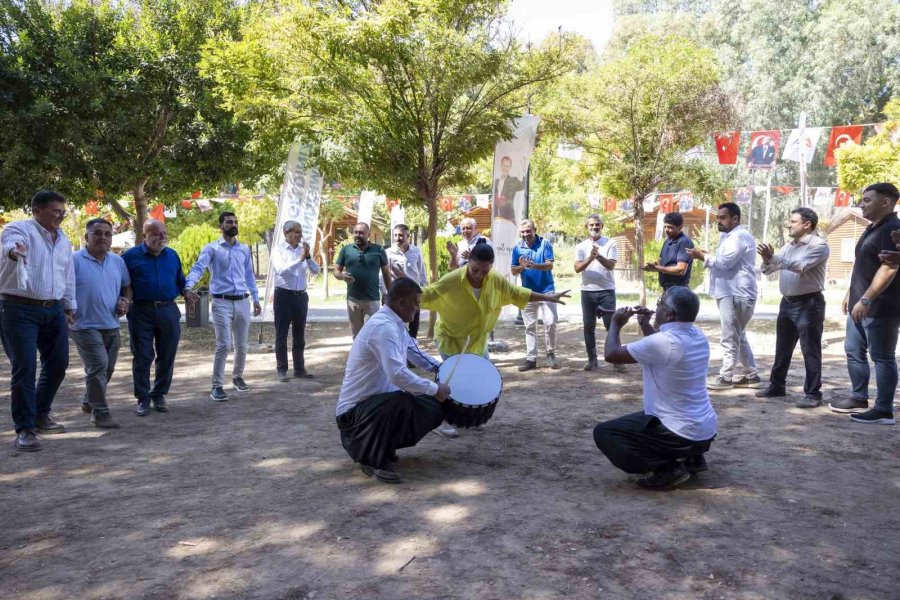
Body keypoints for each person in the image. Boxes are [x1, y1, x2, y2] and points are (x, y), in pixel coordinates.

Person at [421, 243, 570, 437]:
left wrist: (547, 297)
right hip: (450, 338)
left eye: (485, 271)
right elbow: (428, 294)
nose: (479, 275)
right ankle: (438, 421)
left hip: (478, 341)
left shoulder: (495, 280)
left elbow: (517, 293)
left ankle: (471, 417)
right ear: (468, 262)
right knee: (453, 380)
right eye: (475, 270)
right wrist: (401, 292)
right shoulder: (451, 280)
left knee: (479, 378)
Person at [595, 287, 717, 490]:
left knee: (605, 433)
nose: (656, 306)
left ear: (669, 314)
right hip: (704, 431)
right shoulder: (697, 335)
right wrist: (645, 324)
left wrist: (615, 324)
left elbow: (612, 354)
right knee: (650, 415)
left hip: (680, 433)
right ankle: (693, 458)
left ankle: (668, 470)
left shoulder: (663, 341)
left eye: (660, 303)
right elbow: (661, 350)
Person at [335, 278, 450, 484]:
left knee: (433, 407)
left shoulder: (396, 325)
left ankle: (382, 447)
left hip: (375, 407)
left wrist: (443, 368)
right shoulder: (383, 327)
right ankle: (373, 458)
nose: (418, 308)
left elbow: (416, 354)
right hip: (353, 417)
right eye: (416, 303)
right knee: (402, 401)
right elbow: (397, 374)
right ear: (401, 303)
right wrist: (434, 388)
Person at [0, 190, 75, 451]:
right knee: (25, 367)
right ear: (37, 211)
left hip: (53, 309)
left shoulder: (64, 240)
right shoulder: (19, 229)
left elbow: (67, 275)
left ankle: (40, 414)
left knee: (59, 363)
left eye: (63, 212)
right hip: (17, 308)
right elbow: (10, 245)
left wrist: (69, 306)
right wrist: (15, 252)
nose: (61, 216)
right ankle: (25, 429)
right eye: (56, 211)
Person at [830, 183, 900, 425]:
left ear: (886, 202)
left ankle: (883, 410)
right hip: (859, 303)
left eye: (868, 200)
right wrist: (851, 293)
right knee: (853, 350)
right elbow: (864, 264)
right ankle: (859, 397)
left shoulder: (892, 229)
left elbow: (889, 268)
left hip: (881, 306)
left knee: (882, 357)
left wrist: (866, 298)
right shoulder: (873, 227)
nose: (861, 205)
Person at [755, 208, 829, 408]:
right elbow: (769, 270)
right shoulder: (788, 246)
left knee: (810, 350)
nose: (788, 224)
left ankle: (813, 394)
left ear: (807, 224)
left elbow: (800, 266)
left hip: (809, 303)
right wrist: (767, 260)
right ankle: (777, 385)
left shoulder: (819, 245)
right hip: (787, 302)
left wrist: (774, 258)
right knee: (782, 347)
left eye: (793, 221)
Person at [185, 212, 262, 402]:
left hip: (242, 301)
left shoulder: (244, 249)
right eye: (229, 222)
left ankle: (237, 377)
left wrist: (255, 298)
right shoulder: (212, 248)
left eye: (235, 222)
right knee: (224, 344)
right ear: (221, 226)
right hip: (221, 302)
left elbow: (249, 275)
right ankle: (217, 386)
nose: (233, 224)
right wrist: (188, 286)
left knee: (242, 345)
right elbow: (198, 268)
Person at [687, 203, 762, 390]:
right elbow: (724, 261)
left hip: (736, 293)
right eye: (718, 217)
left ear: (735, 218)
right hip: (730, 292)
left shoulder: (739, 236)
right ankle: (752, 375)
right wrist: (706, 255)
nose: (718, 221)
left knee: (729, 337)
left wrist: (702, 257)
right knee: (738, 335)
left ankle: (726, 377)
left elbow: (724, 263)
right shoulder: (728, 236)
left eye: (723, 217)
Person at [124, 220, 193, 416]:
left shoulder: (172, 255)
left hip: (168, 310)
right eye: (156, 233)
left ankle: (159, 394)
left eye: (164, 232)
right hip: (141, 312)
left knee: (167, 354)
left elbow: (180, 281)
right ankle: (143, 398)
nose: (162, 237)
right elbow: (122, 284)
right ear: (144, 235)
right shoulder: (129, 257)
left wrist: (187, 292)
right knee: (142, 356)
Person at [70, 219, 132, 429]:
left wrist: (125, 300)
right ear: (87, 236)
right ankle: (100, 412)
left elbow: (127, 286)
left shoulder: (117, 261)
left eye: (107, 234)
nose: (103, 237)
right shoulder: (73, 260)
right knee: (98, 365)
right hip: (83, 324)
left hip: (111, 323)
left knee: (108, 368)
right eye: (97, 233)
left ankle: (89, 400)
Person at [271, 220, 320, 382]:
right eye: (297, 232)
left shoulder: (302, 250)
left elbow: (316, 270)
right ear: (287, 233)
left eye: (300, 232)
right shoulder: (278, 250)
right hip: (283, 296)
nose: (300, 235)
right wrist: (299, 259)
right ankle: (282, 370)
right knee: (281, 334)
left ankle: (299, 369)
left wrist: (308, 256)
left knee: (299, 335)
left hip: (301, 296)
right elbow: (281, 270)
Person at [574, 214, 620, 372]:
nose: (594, 227)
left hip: (606, 291)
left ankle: (617, 359)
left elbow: (611, 265)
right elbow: (577, 268)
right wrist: (590, 258)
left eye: (597, 225)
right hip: (587, 292)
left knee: (611, 326)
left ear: (602, 226)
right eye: (591, 225)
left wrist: (598, 256)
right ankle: (592, 360)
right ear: (586, 227)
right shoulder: (581, 246)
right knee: (588, 326)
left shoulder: (610, 243)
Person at [511, 219, 559, 371]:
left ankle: (550, 353)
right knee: (530, 326)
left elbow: (549, 265)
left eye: (528, 231)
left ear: (534, 230)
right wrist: (521, 266)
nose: (525, 234)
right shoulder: (517, 248)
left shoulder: (545, 244)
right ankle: (531, 359)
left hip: (547, 290)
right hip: (528, 292)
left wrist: (533, 265)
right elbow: (513, 271)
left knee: (550, 322)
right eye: (523, 232)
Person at [333, 222, 391, 338]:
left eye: (361, 233)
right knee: (357, 336)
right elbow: (336, 271)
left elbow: (386, 273)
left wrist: (390, 293)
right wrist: (342, 276)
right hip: (353, 300)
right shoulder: (346, 250)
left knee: (371, 334)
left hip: (372, 300)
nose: (357, 235)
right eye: (355, 232)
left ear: (368, 234)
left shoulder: (379, 250)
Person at [383, 224, 427, 338]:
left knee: (414, 325)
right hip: (396, 295)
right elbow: (383, 274)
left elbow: (422, 273)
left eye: (401, 235)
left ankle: (412, 344)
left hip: (413, 294)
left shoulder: (416, 251)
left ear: (408, 236)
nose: (397, 238)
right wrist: (384, 293)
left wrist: (424, 291)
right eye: (395, 235)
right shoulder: (388, 253)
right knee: (395, 324)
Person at [642, 212, 694, 290]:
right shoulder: (666, 242)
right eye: (665, 227)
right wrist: (652, 266)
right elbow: (660, 263)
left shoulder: (684, 242)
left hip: (679, 289)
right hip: (667, 289)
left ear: (680, 227)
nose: (666, 230)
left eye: (670, 227)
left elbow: (680, 270)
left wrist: (657, 268)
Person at [492, 156, 525, 222]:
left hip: (509, 218)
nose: (505, 168)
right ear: (501, 166)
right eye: (504, 165)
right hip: (496, 219)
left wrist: (524, 170)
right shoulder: (496, 181)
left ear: (510, 167)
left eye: (507, 166)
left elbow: (523, 186)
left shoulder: (513, 181)